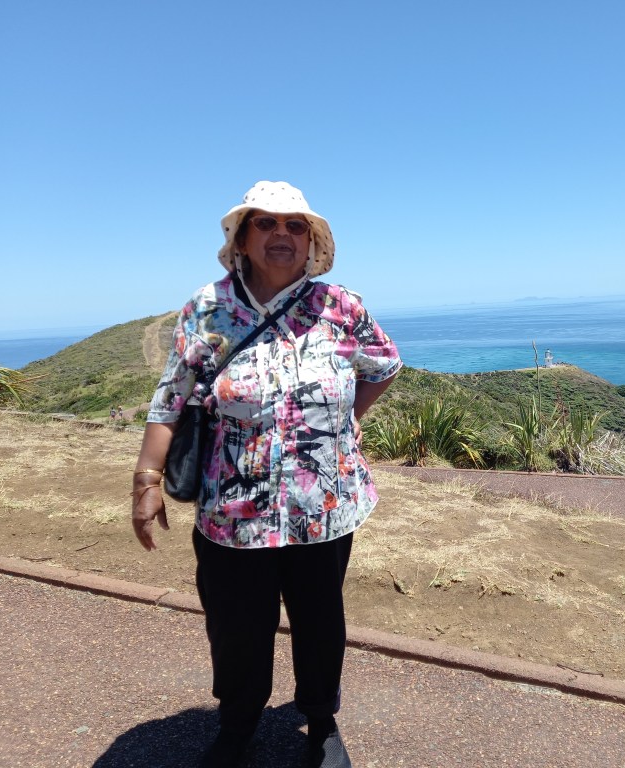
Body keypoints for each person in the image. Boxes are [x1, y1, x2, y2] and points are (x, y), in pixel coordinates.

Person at [131, 181, 401, 768]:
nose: (282, 234)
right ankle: (238, 724)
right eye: (267, 223)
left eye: (296, 225)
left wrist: (344, 423)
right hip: (233, 508)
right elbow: (171, 396)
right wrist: (146, 480)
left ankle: (321, 722)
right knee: (237, 626)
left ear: (312, 241)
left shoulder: (341, 306)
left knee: (320, 618)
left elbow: (384, 363)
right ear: (244, 238)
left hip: (323, 505)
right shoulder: (208, 308)